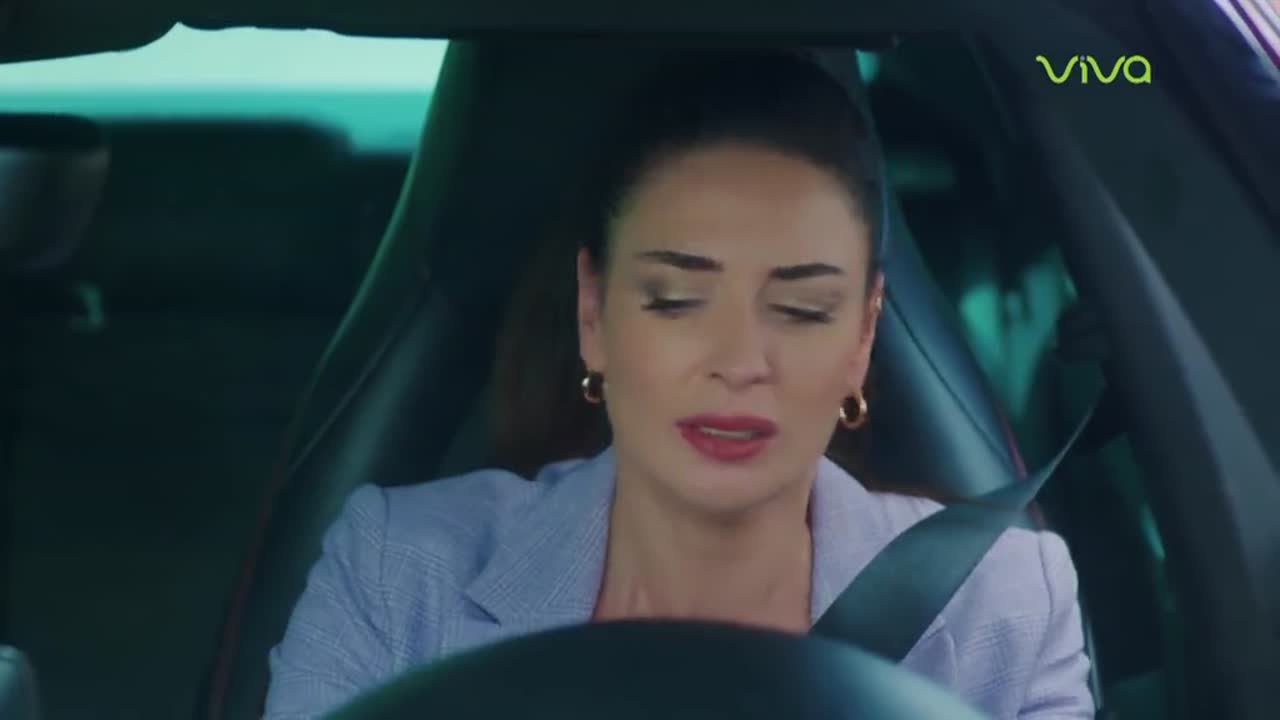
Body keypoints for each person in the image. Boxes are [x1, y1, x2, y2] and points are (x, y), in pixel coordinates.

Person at [263, 50, 1094, 719]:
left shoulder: (1004, 602)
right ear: (594, 314)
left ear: (862, 338)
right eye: (676, 300)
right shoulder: (399, 573)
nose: (739, 360)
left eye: (802, 309)